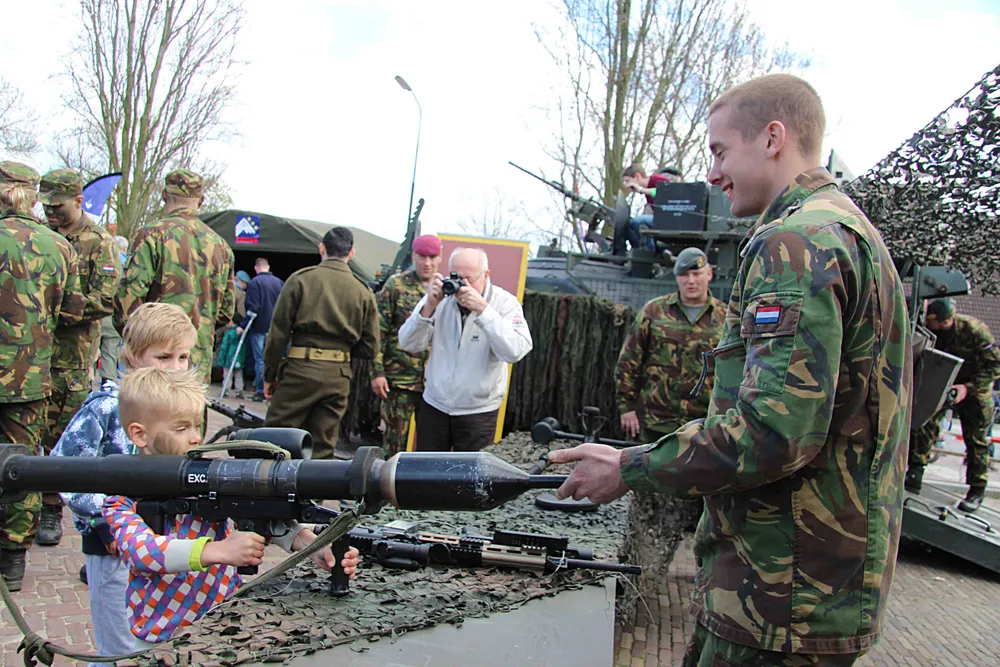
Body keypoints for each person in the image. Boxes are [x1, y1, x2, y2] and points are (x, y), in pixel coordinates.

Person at [548, 74, 912, 665]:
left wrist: (631, 466)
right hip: (809, 584)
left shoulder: (795, 243)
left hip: (779, 592)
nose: (713, 174)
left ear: (772, 138)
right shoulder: (849, 231)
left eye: (720, 151)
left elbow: (774, 431)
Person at [102, 367, 360, 648]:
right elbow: (143, 552)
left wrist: (314, 547)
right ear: (139, 434)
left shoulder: (207, 477)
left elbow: (265, 519)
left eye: (197, 426)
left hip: (221, 627)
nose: (195, 438)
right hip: (160, 638)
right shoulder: (123, 497)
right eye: (181, 428)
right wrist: (220, 551)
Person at [50, 303, 197, 665]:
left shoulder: (180, 407)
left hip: (158, 546)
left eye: (183, 357)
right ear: (132, 356)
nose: (175, 367)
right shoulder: (107, 407)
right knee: (118, 648)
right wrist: (105, 522)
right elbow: (65, 469)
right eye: (163, 357)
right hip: (112, 548)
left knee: (153, 642)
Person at [0, 161, 85, 591]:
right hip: (29, 377)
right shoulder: (59, 246)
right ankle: (13, 557)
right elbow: (73, 311)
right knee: (23, 465)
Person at [36, 168, 122, 547]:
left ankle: (52, 507)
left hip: (70, 359)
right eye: (46, 205)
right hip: (31, 355)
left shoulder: (99, 243)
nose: (51, 212)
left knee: (63, 435)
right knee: (27, 431)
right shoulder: (40, 237)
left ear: (78, 200)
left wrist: (51, 309)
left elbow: (105, 299)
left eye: (58, 206)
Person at [398, 247, 533, 452]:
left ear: (486, 275)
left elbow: (514, 351)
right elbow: (408, 343)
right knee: (427, 469)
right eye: (457, 278)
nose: (463, 286)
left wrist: (483, 311)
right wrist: (428, 308)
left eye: (469, 279)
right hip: (435, 405)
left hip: (478, 412)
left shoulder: (505, 303)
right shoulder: (441, 298)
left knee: (468, 472)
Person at [263, 228, 378, 460]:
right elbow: (371, 347)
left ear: (322, 248)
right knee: (322, 446)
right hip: (338, 376)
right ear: (351, 253)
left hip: (299, 370)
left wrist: (270, 374)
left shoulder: (301, 280)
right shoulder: (363, 291)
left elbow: (278, 334)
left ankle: (272, 482)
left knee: (276, 438)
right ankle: (314, 484)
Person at [115, 169, 235, 386]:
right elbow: (226, 312)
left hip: (154, 358)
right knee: (189, 407)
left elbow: (128, 301)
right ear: (201, 200)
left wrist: (136, 344)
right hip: (196, 359)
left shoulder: (151, 235)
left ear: (164, 195)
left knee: (148, 407)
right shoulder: (221, 246)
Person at [616, 247, 726, 442]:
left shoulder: (726, 318)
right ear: (676, 277)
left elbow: (737, 369)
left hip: (705, 425)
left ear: (709, 274)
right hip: (656, 422)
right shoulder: (654, 311)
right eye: (684, 275)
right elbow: (629, 360)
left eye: (696, 274)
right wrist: (626, 407)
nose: (690, 281)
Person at [906, 297, 1000, 511]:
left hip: (975, 390)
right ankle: (915, 472)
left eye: (931, 321)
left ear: (942, 320)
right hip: (946, 383)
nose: (927, 324)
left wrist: (967, 387)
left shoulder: (975, 331)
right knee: (924, 421)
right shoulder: (932, 331)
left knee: (976, 440)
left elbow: (995, 366)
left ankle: (976, 490)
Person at [370, 235, 442, 454]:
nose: (427, 263)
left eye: (432, 257)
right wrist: (377, 372)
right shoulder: (396, 285)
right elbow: (378, 330)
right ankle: (388, 477)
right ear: (413, 256)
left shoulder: (446, 289)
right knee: (394, 445)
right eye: (422, 257)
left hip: (433, 386)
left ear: (440, 257)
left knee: (430, 448)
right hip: (399, 381)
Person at [239, 257, 284, 402]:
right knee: (274, 359)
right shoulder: (279, 283)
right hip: (275, 328)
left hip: (259, 327)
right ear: (268, 267)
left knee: (260, 360)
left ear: (256, 268)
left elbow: (253, 307)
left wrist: (243, 325)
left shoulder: (254, 283)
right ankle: (273, 390)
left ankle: (260, 391)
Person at [622, 164, 682, 252]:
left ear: (638, 176)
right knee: (631, 225)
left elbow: (666, 191)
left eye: (628, 181)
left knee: (637, 221)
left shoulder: (655, 179)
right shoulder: (648, 190)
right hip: (663, 220)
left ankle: (649, 251)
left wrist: (641, 189)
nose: (626, 185)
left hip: (673, 219)